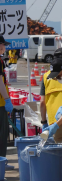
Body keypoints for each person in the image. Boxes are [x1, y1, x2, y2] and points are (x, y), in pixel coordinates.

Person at [0, 35, 14, 170]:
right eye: (3, 45)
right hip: (0, 104)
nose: (4, 47)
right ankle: (1, 162)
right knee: (2, 134)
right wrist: (7, 100)